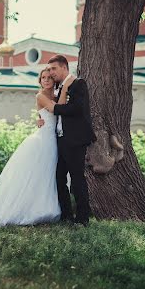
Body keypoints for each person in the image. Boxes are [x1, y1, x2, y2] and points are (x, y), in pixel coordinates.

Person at [0, 68, 71, 227]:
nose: (45, 80)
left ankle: (46, 207)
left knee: (47, 175)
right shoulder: (40, 96)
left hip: (53, 140)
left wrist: (40, 117)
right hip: (42, 141)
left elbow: (55, 112)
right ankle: (27, 210)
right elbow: (55, 109)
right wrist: (65, 87)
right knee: (35, 174)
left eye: (48, 78)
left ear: (54, 80)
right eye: (43, 78)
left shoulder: (55, 96)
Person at [38, 55, 95, 226]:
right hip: (60, 139)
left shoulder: (78, 84)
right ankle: (66, 215)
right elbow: (44, 106)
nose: (51, 72)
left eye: (54, 69)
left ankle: (83, 218)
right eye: (49, 70)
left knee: (77, 179)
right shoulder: (57, 87)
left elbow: (76, 108)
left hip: (75, 140)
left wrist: (56, 108)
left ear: (64, 68)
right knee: (59, 178)